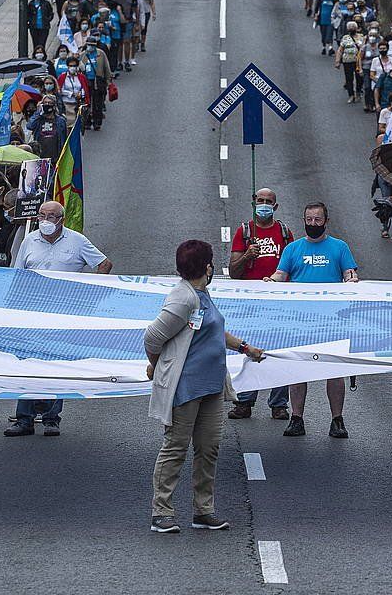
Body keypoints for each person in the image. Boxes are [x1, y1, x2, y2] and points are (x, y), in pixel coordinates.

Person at [144, 240, 265, 534]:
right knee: (175, 447)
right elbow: (152, 337)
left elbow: (213, 329)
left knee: (208, 448)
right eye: (211, 262)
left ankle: (203, 510)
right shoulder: (183, 298)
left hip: (211, 387)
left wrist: (244, 347)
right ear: (206, 267)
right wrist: (157, 364)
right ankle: (161, 512)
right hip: (185, 387)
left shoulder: (201, 293)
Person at [5, 201, 112, 437]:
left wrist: (89, 293)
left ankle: (52, 419)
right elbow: (17, 274)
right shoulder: (29, 240)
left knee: (55, 365)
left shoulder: (77, 241)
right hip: (32, 314)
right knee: (28, 366)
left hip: (63, 315)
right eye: (41, 215)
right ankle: (24, 419)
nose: (45, 220)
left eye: (51, 216)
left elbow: (104, 264)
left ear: (61, 220)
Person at [266, 203, 359, 439]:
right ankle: (297, 418)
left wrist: (351, 280)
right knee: (298, 370)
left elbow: (350, 273)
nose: (313, 224)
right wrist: (271, 282)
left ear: (326, 221)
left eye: (318, 220)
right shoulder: (293, 249)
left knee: (334, 371)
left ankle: (337, 420)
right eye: (309, 220)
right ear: (304, 220)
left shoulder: (340, 247)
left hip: (332, 320)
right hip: (300, 320)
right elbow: (281, 275)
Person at [227, 188, 294, 420]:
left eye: (269, 202)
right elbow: (234, 272)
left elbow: (292, 267)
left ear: (275, 207)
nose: (264, 205)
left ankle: (278, 404)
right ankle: (244, 401)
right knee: (247, 350)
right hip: (250, 304)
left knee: (278, 351)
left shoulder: (284, 232)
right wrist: (247, 255)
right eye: (260, 201)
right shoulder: (243, 232)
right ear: (254, 203)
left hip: (278, 304)